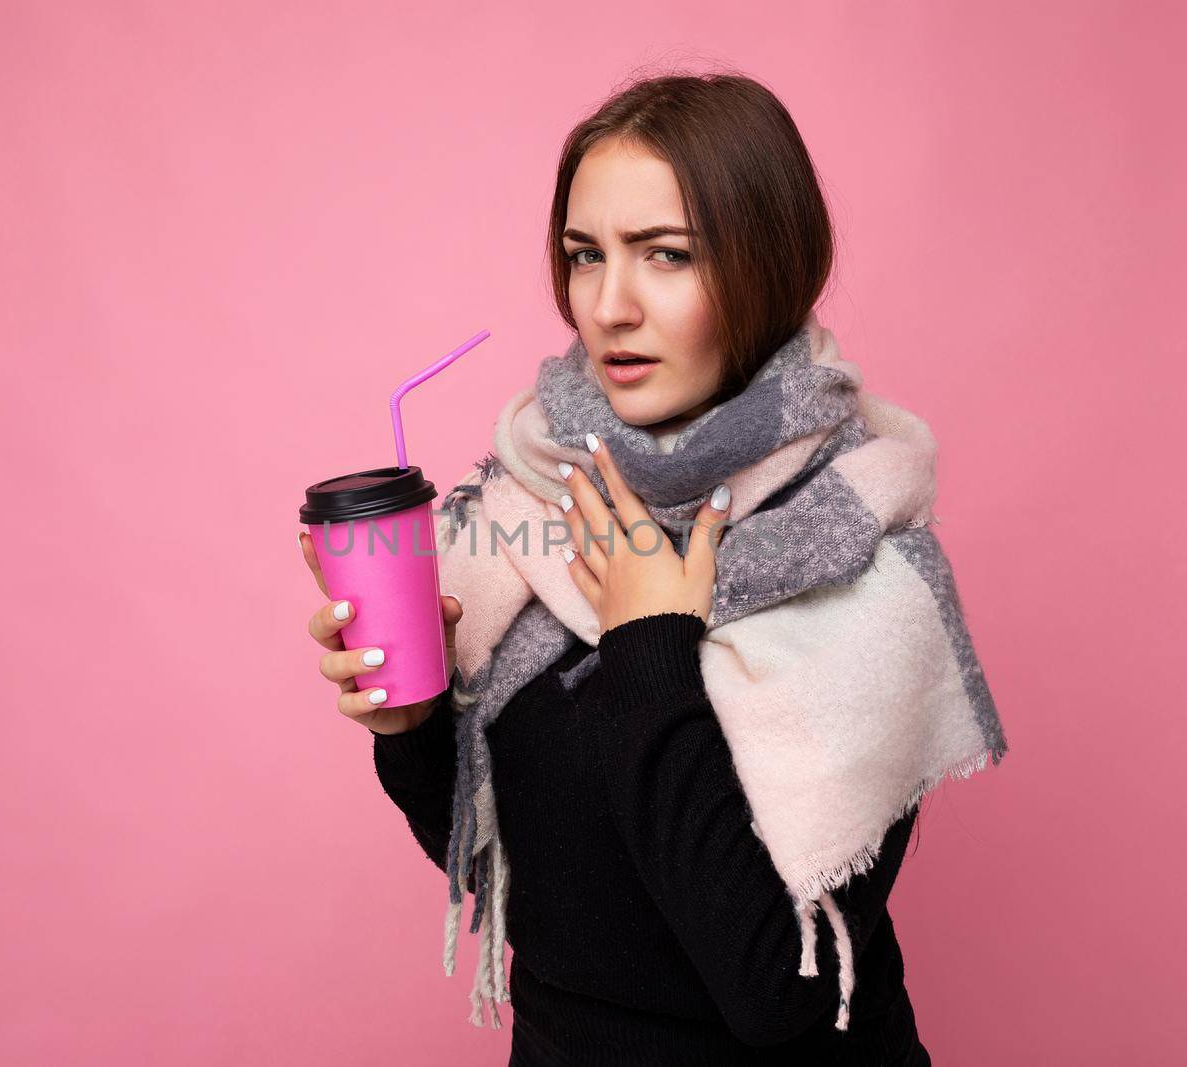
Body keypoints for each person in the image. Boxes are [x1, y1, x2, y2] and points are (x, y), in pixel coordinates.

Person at [300, 71, 993, 1065]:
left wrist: (650, 641)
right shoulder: (526, 510)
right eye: (585, 256)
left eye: (665, 256)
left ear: (769, 266)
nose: (609, 306)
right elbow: (544, 892)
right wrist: (411, 734)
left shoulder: (866, 561)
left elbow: (772, 990)